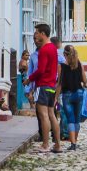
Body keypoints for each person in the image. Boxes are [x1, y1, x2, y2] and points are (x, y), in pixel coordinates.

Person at [26, 23, 62, 153]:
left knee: (43, 116)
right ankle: (57, 145)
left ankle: (45, 144)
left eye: (36, 33)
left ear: (42, 33)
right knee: (52, 115)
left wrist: (29, 79)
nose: (35, 35)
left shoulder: (44, 50)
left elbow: (40, 70)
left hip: (43, 85)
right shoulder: (53, 47)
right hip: (52, 86)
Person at [57, 45, 87, 150]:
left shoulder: (61, 66)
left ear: (65, 54)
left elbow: (59, 83)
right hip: (79, 93)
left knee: (70, 119)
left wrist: (56, 98)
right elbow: (84, 80)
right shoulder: (79, 64)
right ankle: (75, 141)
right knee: (77, 120)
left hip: (67, 95)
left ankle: (73, 143)